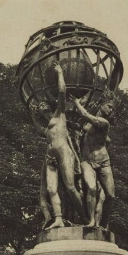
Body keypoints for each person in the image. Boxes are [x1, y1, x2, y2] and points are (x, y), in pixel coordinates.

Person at [32, 62, 87, 229]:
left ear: (49, 106)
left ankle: (86, 219)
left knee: (70, 187)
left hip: (64, 152)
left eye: (43, 105)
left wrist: (60, 73)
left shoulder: (59, 115)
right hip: (51, 156)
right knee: (51, 189)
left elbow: (62, 92)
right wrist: (31, 113)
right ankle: (58, 218)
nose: (41, 107)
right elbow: (37, 126)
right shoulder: (47, 128)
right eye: (39, 106)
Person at [70, 95, 115, 228]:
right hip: (87, 160)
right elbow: (79, 126)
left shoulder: (103, 122)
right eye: (109, 106)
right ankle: (91, 221)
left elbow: (83, 113)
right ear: (101, 105)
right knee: (91, 187)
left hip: (103, 161)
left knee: (110, 195)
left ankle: (104, 223)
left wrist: (76, 102)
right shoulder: (87, 124)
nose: (111, 110)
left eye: (112, 108)